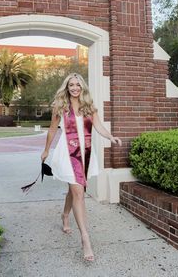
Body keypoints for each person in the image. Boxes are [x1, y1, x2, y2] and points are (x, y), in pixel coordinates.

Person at [41, 73, 122, 262]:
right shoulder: (60, 106)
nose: (75, 88)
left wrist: (110, 137)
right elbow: (52, 129)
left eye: (78, 84)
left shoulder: (88, 107)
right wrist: (46, 150)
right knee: (78, 192)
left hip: (85, 154)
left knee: (74, 190)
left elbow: (99, 126)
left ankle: (65, 214)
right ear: (67, 87)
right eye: (71, 85)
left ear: (82, 87)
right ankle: (85, 238)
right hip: (67, 154)